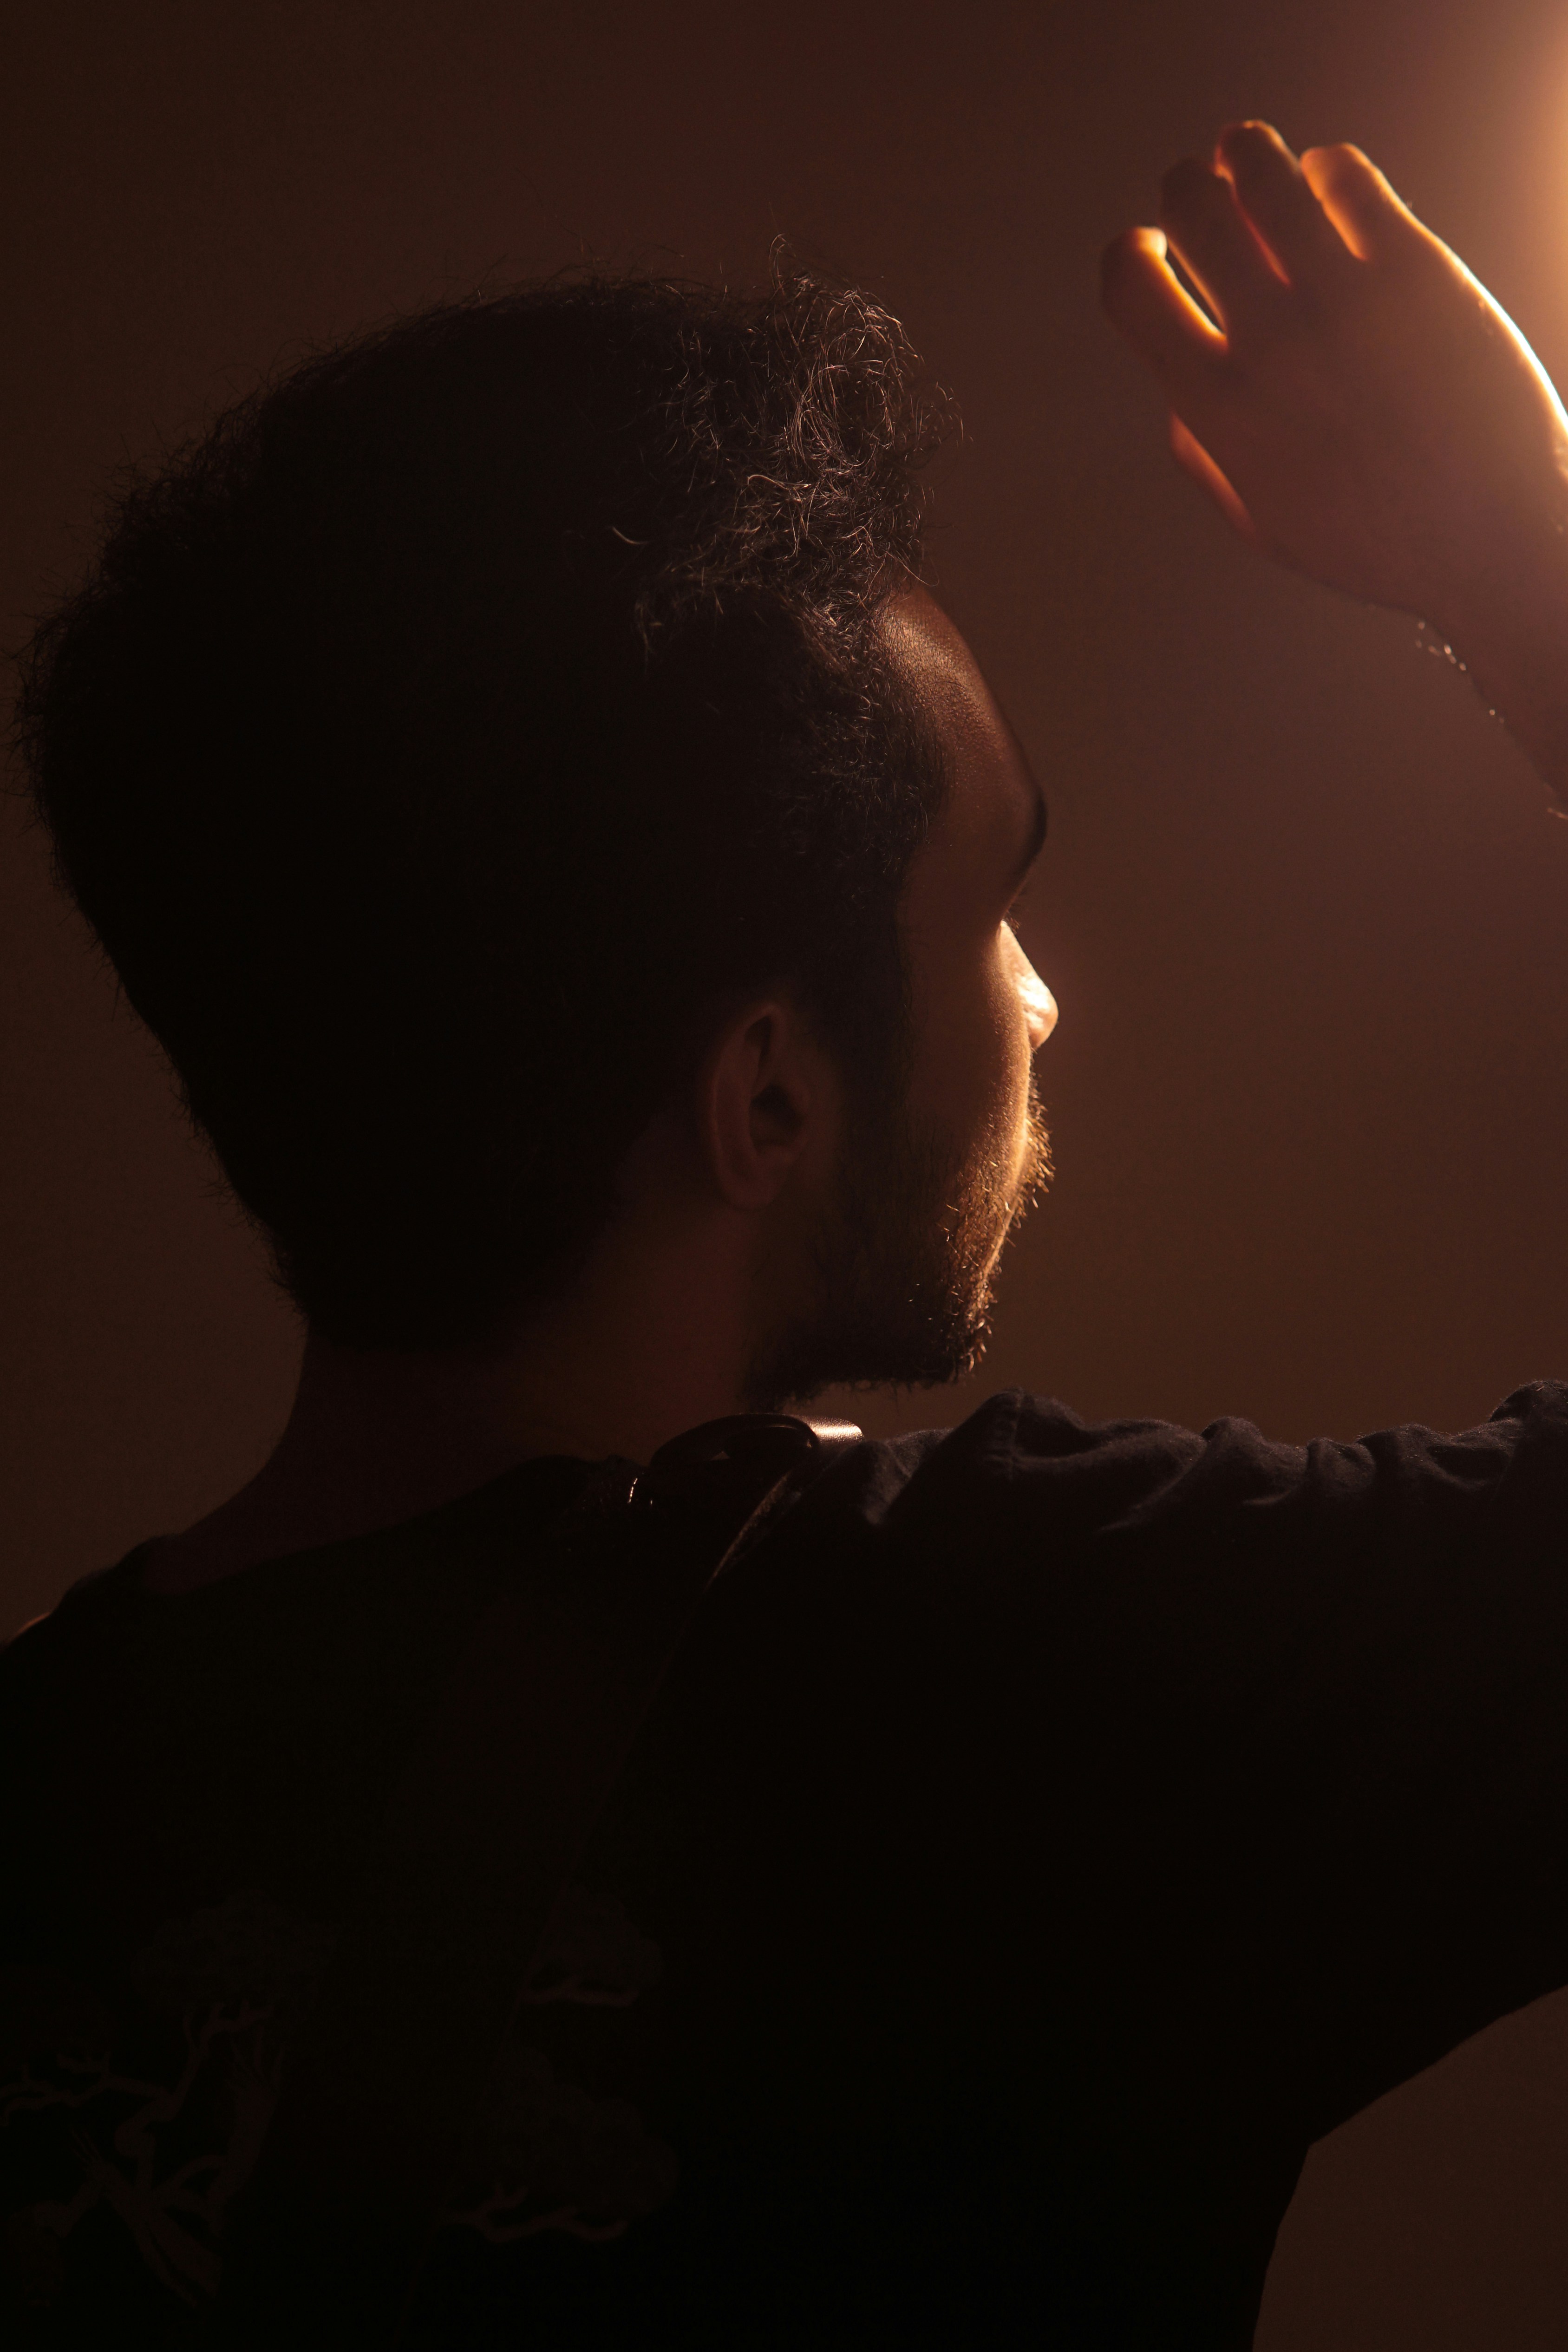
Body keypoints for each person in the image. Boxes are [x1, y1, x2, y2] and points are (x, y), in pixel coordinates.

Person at [4, 118, 1568, 2348]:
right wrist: (1525, 569)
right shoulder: (1046, 1694)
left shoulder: (46, 1784)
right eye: (994, 899)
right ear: (764, 1096)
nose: (1043, 1000)